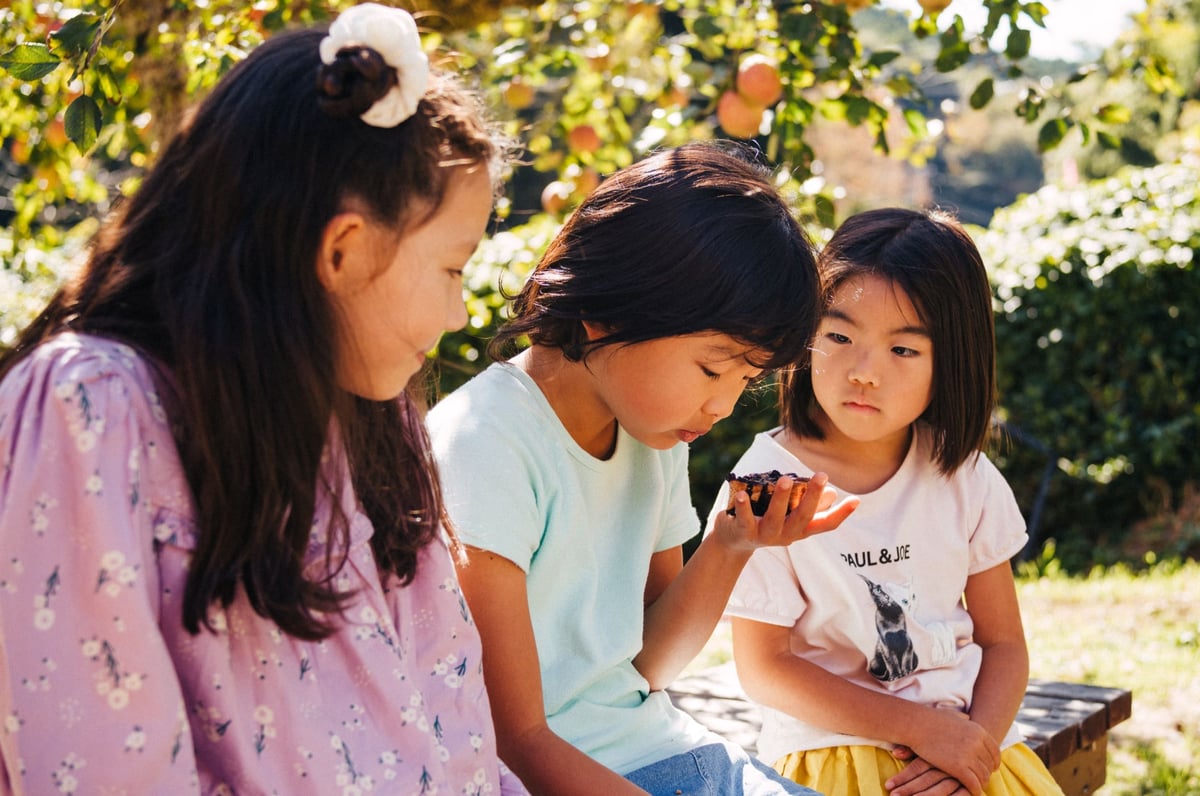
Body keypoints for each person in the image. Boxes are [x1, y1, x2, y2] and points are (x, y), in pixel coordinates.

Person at [0, 4, 526, 793]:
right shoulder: (95, 412)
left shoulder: (378, 428)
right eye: (452, 270)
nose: (459, 314)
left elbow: (455, 731)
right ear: (342, 250)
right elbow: (102, 764)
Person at [427, 141, 859, 796]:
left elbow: (649, 667)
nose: (721, 405)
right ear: (608, 309)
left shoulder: (654, 436)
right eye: (713, 368)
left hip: (668, 755)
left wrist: (730, 544)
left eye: (745, 380)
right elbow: (512, 739)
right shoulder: (486, 443)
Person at [708, 208, 1064, 796]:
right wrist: (919, 729)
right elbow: (765, 668)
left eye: (903, 351)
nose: (864, 373)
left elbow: (1004, 644)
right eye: (840, 337)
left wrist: (970, 750)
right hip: (831, 761)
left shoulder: (962, 475)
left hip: (969, 753)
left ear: (950, 361)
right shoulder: (767, 484)